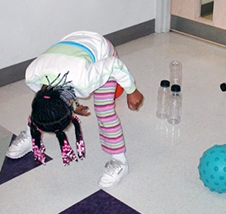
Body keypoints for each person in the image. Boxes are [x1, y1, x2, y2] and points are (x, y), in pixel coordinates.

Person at [6, 31, 143, 190]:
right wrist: (73, 107)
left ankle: (120, 162)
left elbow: (114, 65)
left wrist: (131, 90)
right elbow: (44, 103)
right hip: (72, 50)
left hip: (103, 54)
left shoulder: (85, 80)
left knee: (104, 111)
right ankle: (31, 136)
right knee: (44, 108)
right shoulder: (32, 76)